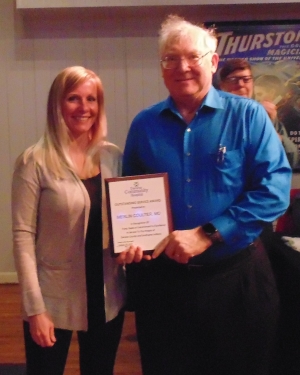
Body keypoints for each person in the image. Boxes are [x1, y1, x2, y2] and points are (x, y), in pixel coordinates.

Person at [120, 15, 292, 375]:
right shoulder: (144, 125)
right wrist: (133, 238)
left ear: (213, 62)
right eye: (170, 58)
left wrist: (208, 233)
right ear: (161, 66)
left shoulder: (248, 117)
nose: (181, 67)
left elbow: (274, 189)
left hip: (237, 283)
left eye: (192, 57)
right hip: (165, 288)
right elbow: (132, 196)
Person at [11, 66, 126, 375]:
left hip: (107, 295)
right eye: (73, 98)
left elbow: (125, 217)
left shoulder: (113, 157)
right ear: (56, 104)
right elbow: (23, 237)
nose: (84, 107)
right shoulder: (33, 161)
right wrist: (34, 309)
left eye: (92, 99)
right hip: (52, 298)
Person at [218, 58, 299, 168]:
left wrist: (269, 130)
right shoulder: (213, 117)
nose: (241, 84)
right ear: (222, 86)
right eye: (233, 80)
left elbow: (292, 160)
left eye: (246, 79)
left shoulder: (263, 115)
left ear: (252, 84)